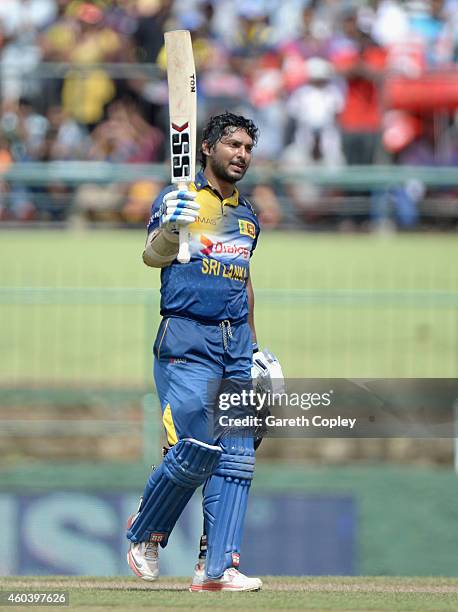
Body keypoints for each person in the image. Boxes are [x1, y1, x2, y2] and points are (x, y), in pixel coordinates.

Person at [126, 111, 283, 592]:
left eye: (248, 148)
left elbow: (244, 283)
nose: (242, 155)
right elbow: (153, 253)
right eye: (233, 145)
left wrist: (255, 347)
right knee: (193, 450)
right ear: (207, 148)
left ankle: (216, 568)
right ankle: (146, 533)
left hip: (234, 345)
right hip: (185, 342)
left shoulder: (248, 215)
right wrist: (174, 229)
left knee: (237, 456)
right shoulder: (178, 200)